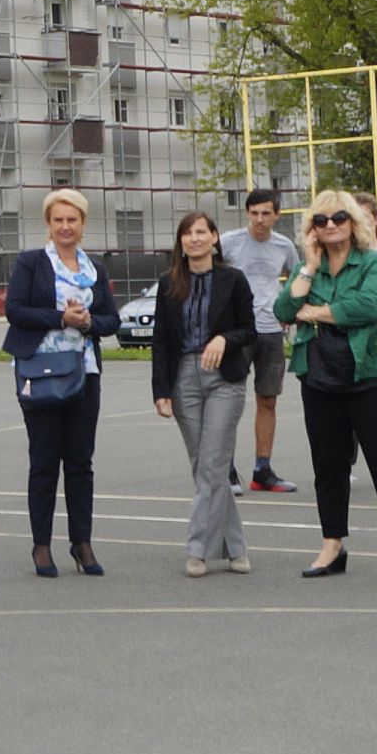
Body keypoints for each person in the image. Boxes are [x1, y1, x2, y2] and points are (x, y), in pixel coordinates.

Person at [273, 192, 377, 585]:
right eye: (321, 220)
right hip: (319, 376)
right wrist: (309, 268)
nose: (330, 225)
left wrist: (315, 312)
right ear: (312, 229)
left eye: (339, 217)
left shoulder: (375, 261)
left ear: (354, 221)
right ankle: (332, 544)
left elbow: (373, 305)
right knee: (328, 465)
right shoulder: (309, 269)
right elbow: (283, 310)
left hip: (375, 374)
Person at [2, 187, 118, 579]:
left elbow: (112, 320)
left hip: (84, 373)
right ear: (48, 225)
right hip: (40, 372)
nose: (65, 226)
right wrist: (60, 318)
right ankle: (41, 545)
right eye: (58, 220)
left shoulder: (95, 268)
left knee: (81, 462)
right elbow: (15, 310)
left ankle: (82, 542)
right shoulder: (31, 262)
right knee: (44, 460)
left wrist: (87, 322)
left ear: (83, 224)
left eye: (72, 220)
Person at [149, 211, 259, 575]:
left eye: (201, 232)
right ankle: (235, 547)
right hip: (183, 378)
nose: (194, 238)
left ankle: (197, 548)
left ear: (214, 237)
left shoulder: (233, 279)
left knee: (212, 463)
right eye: (187, 233)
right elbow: (161, 340)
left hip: (224, 378)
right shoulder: (169, 283)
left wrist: (223, 339)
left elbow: (249, 330)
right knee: (205, 466)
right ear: (180, 242)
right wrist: (161, 389)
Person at [215, 190, 302, 494]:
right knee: (228, 400)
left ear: (277, 214)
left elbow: (298, 278)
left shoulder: (284, 245)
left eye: (266, 213)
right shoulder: (229, 242)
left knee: (268, 399)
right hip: (237, 331)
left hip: (270, 330)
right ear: (247, 213)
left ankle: (262, 470)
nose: (260, 219)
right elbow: (208, 274)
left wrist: (289, 310)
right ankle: (225, 471)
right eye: (254, 213)